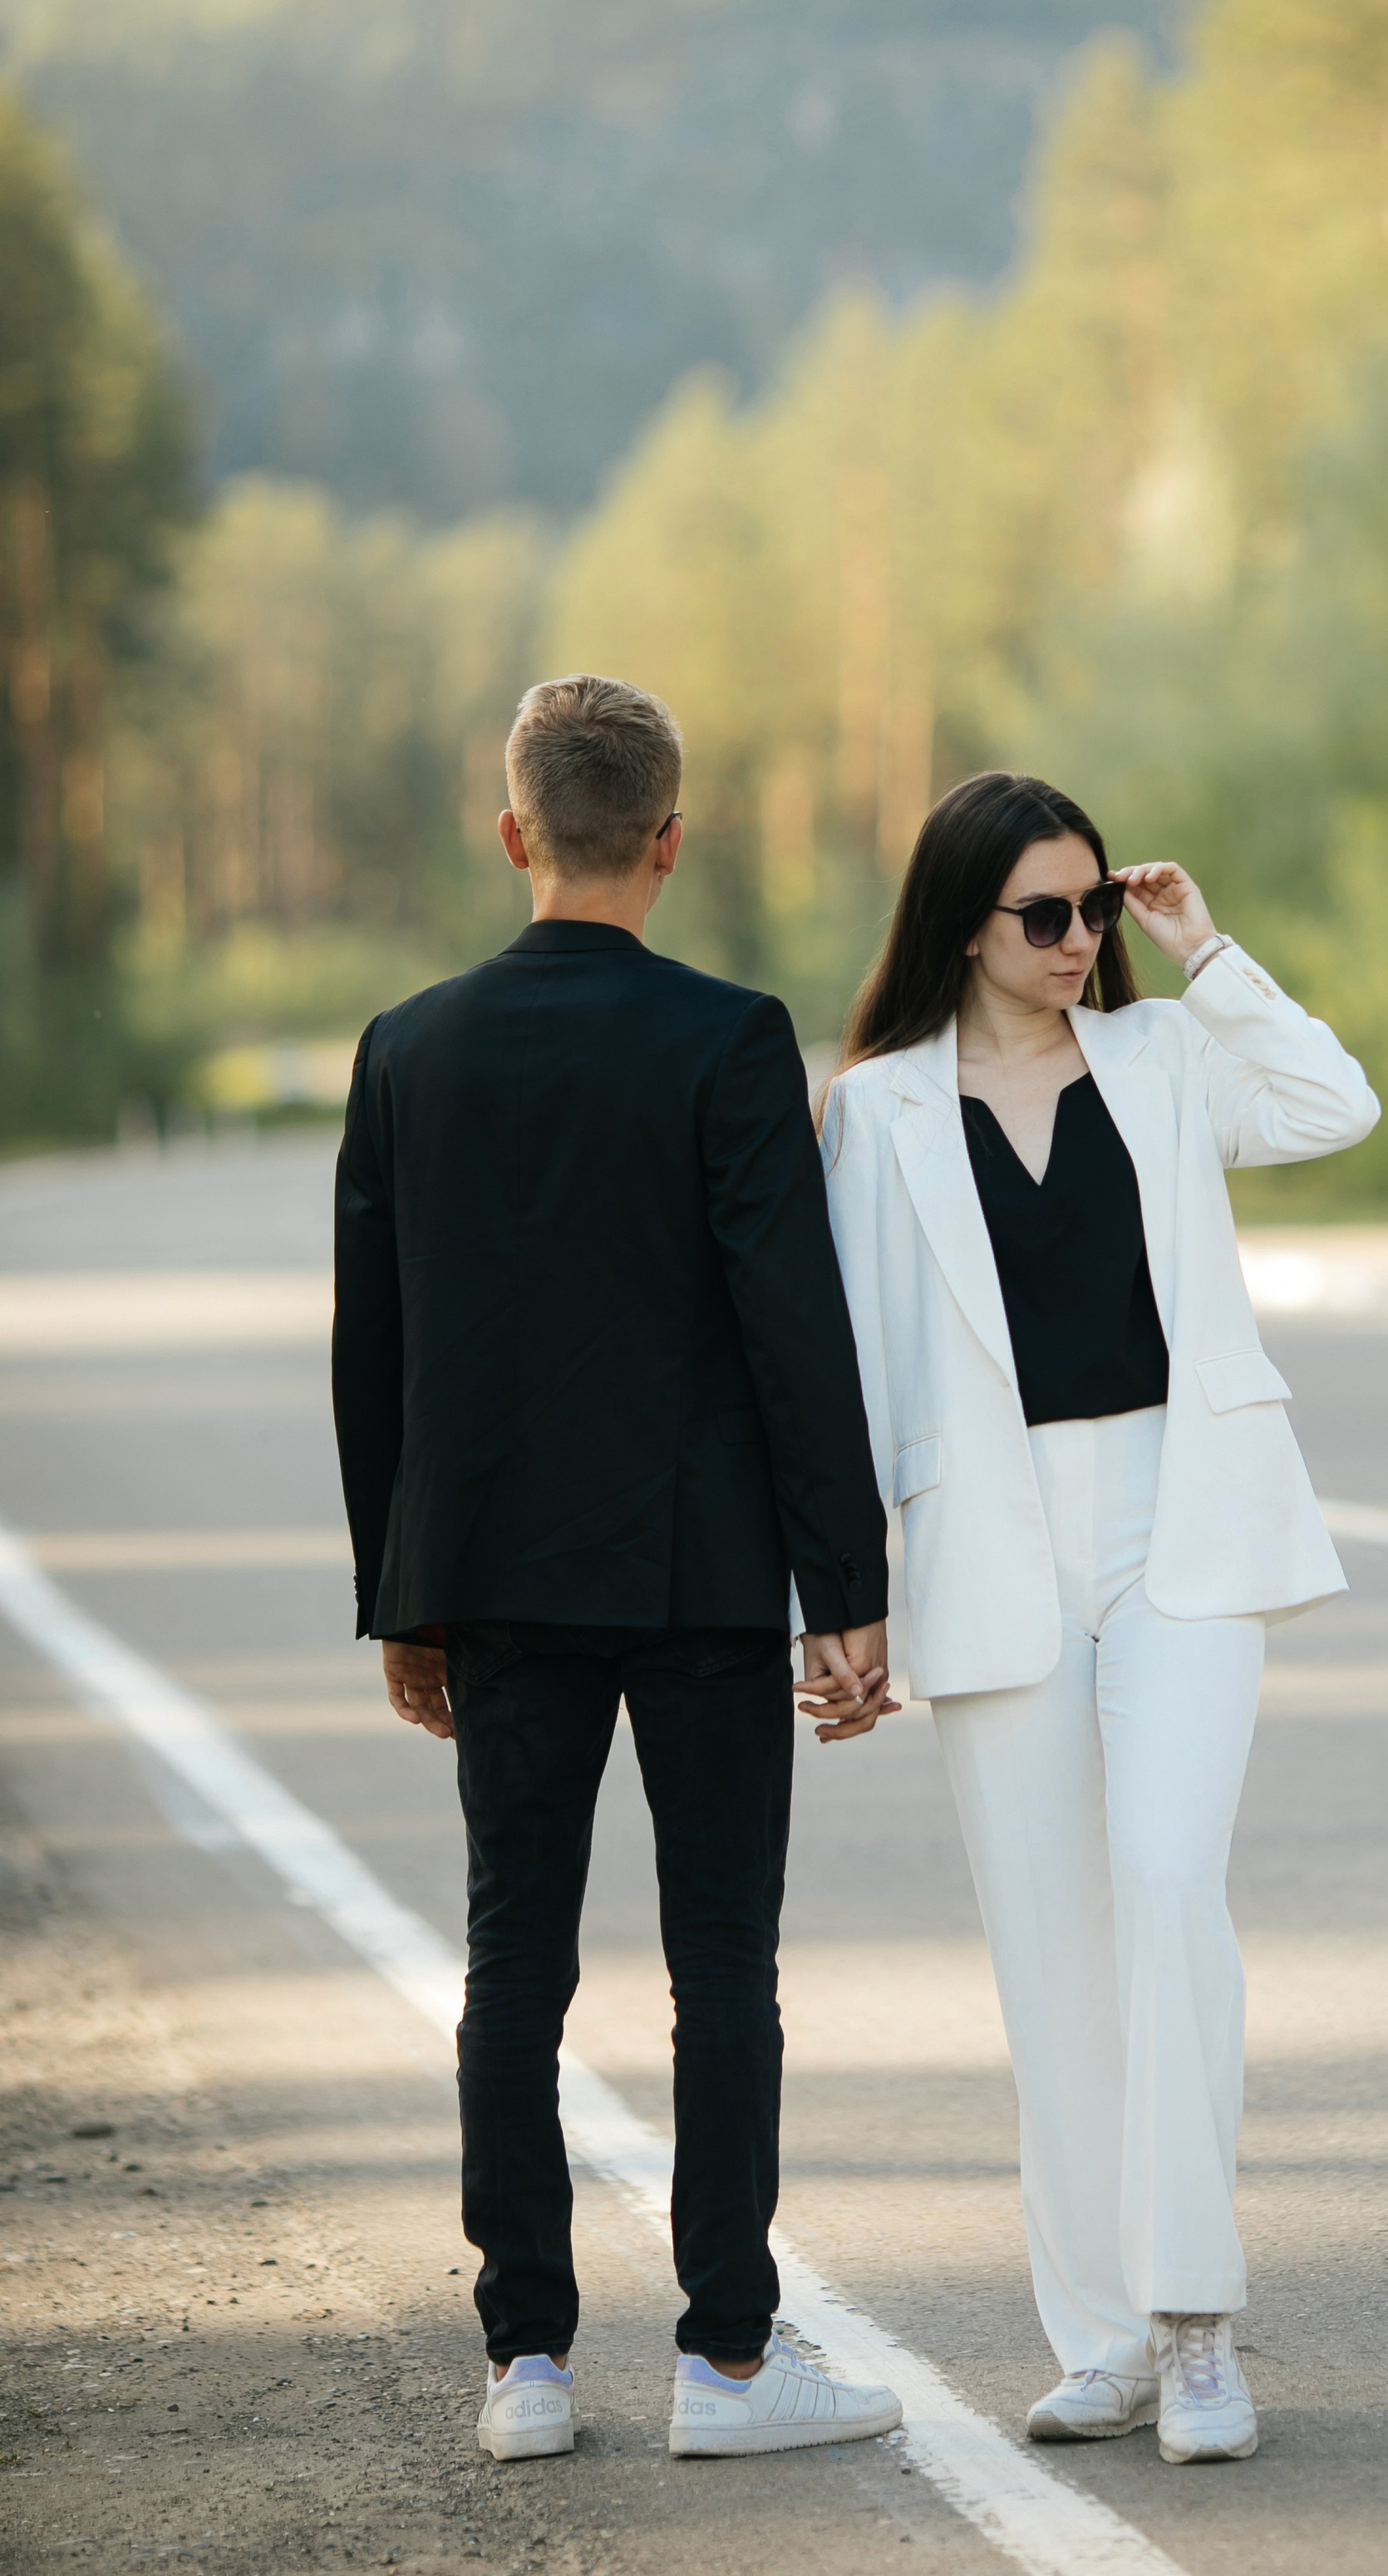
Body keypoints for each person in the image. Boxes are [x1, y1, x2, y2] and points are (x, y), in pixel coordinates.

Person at [332, 673, 904, 2465]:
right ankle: (731, 2363)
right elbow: (789, 1333)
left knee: (516, 1959)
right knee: (721, 1961)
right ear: (672, 836)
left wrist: (397, 1598)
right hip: (700, 1575)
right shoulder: (730, 1039)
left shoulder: (406, 1046)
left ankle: (527, 2368)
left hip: (491, 1574)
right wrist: (848, 1584)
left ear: (512, 832)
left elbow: (379, 1351)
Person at [820, 771, 1377, 2465]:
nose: (1074, 943)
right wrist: (830, 1603)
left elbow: (1332, 1103)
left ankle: (1197, 2324)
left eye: (1088, 911)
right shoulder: (874, 1114)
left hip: (1179, 1532)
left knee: (1161, 1881)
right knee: (1050, 1955)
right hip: (987, 1550)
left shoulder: (1161, 1057)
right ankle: (1102, 2338)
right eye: (1040, 917)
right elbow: (836, 1374)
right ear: (959, 925)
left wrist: (1203, 953)